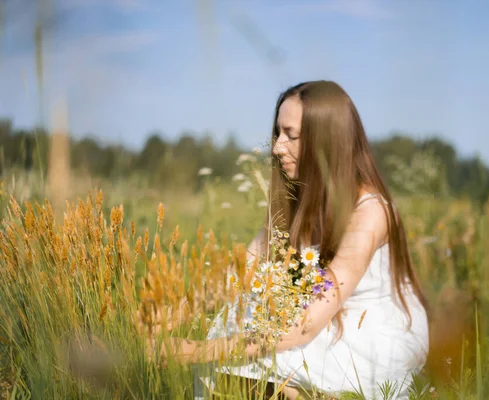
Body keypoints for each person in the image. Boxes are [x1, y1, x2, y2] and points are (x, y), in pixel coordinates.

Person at [151, 80, 429, 399]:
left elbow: (307, 326)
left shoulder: (371, 213)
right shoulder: (293, 198)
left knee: (270, 372)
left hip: (364, 330)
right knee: (236, 337)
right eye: (277, 134)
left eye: (291, 136)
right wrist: (174, 316)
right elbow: (241, 272)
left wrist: (197, 350)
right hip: (310, 316)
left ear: (327, 142)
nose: (277, 147)